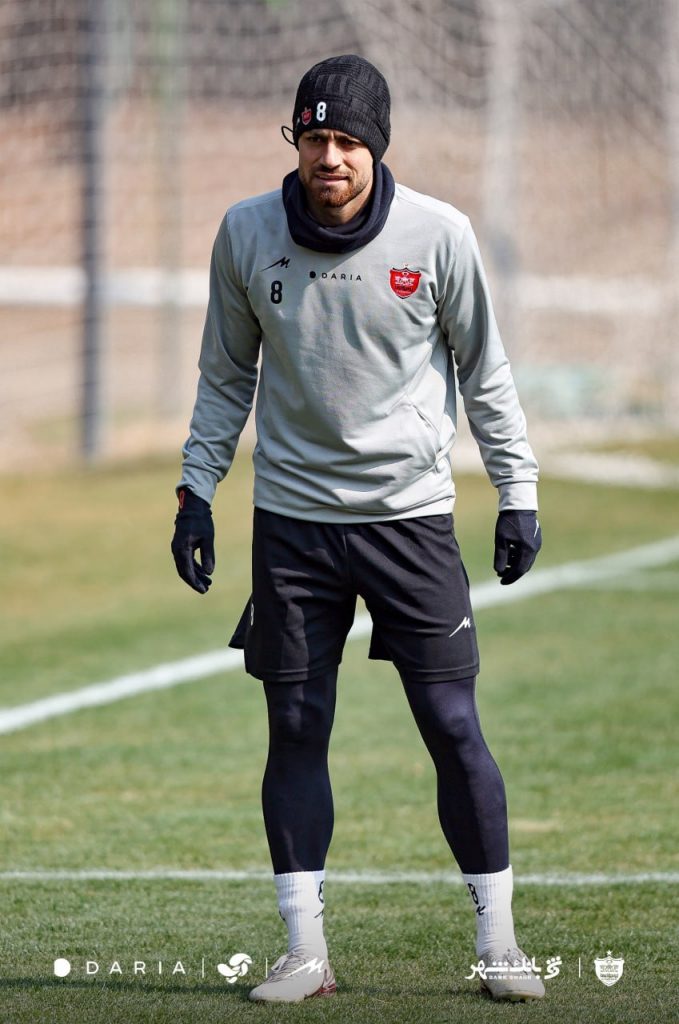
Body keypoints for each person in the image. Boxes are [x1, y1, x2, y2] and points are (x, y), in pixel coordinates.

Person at [171, 54, 544, 1004]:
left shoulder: (439, 235)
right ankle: (305, 954)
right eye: (313, 138)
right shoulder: (246, 232)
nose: (328, 157)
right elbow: (225, 375)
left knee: (451, 726)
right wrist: (194, 490)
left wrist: (517, 491)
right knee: (296, 727)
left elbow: (485, 371)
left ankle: (499, 946)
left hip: (409, 522)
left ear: (376, 146)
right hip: (292, 526)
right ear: (293, 140)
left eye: (346, 140)